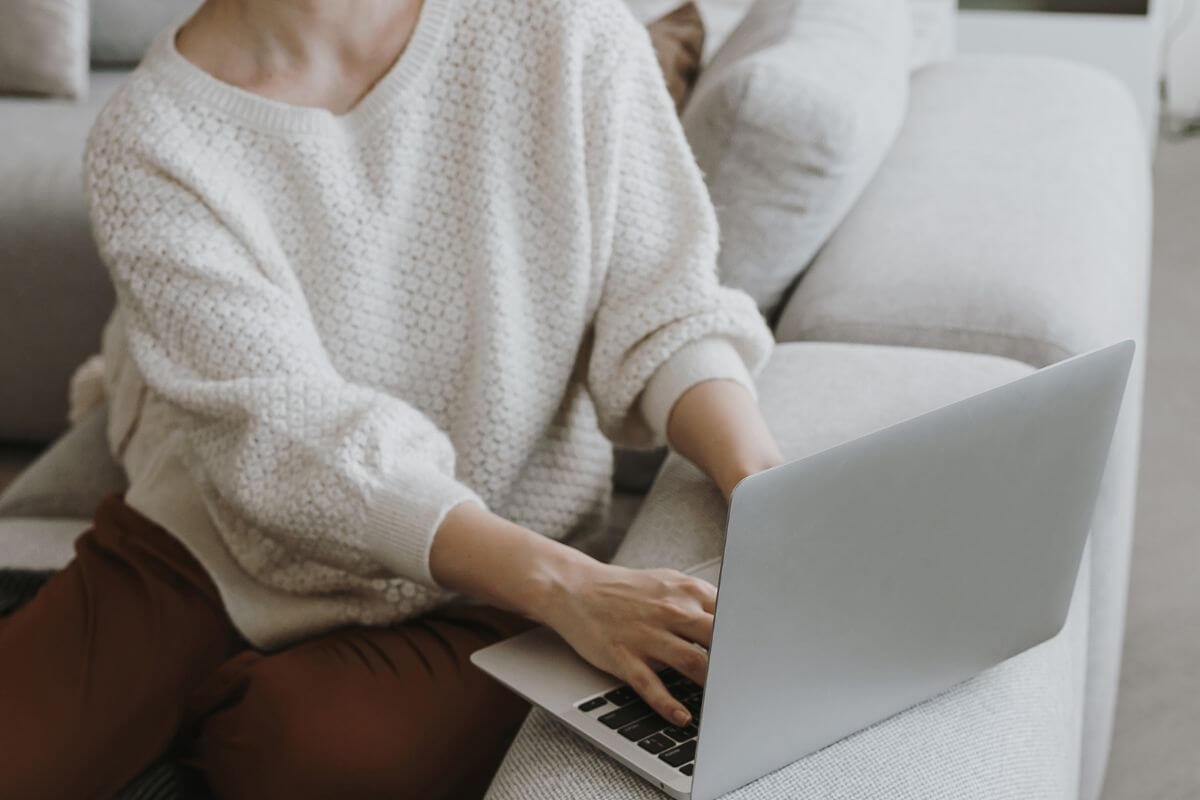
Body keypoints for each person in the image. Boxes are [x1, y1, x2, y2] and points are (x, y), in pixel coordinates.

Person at [0, 0, 785, 797]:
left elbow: (667, 311)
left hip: (494, 566)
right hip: (215, 546)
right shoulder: (149, 134)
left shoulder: (565, 25)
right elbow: (286, 439)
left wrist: (760, 482)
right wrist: (569, 586)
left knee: (295, 751)